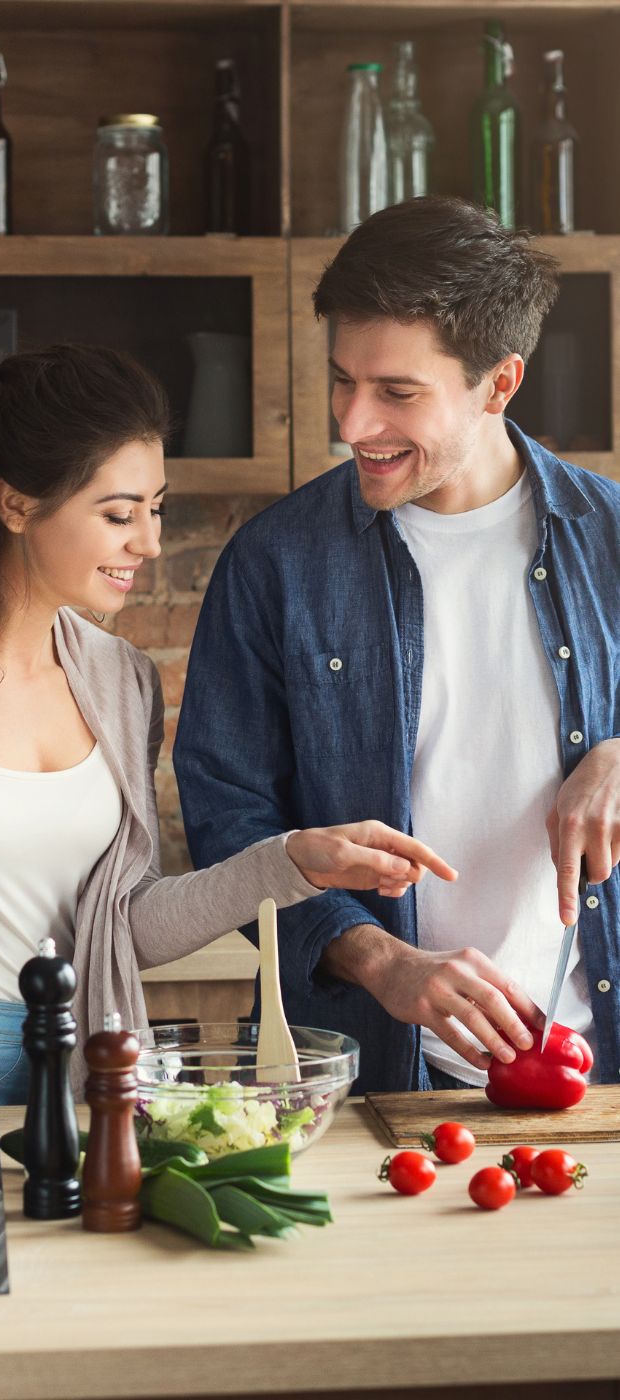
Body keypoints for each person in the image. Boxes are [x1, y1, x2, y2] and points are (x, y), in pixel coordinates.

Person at [0, 343, 457, 1123]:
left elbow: (122, 924)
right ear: (17, 504)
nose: (149, 543)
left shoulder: (120, 680)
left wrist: (292, 862)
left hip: (88, 1072)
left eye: (155, 509)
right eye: (119, 513)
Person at [174, 196, 620, 1095]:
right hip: (361, 1078)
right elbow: (230, 823)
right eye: (343, 379)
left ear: (499, 384)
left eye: (397, 394)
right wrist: (381, 961)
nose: (352, 424)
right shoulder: (276, 563)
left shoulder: (611, 538)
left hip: (592, 1070)